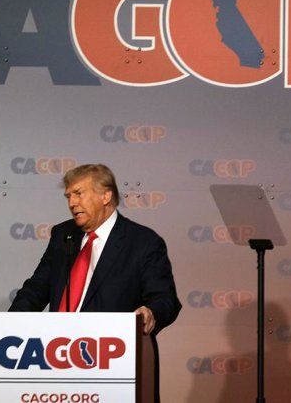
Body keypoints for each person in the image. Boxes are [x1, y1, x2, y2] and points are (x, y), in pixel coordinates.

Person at [9, 163, 181, 401]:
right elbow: (36, 289)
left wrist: (151, 313)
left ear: (106, 195)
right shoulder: (63, 235)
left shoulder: (142, 242)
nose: (72, 203)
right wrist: (9, 325)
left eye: (79, 193)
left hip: (112, 364)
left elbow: (166, 299)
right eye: (68, 196)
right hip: (56, 357)